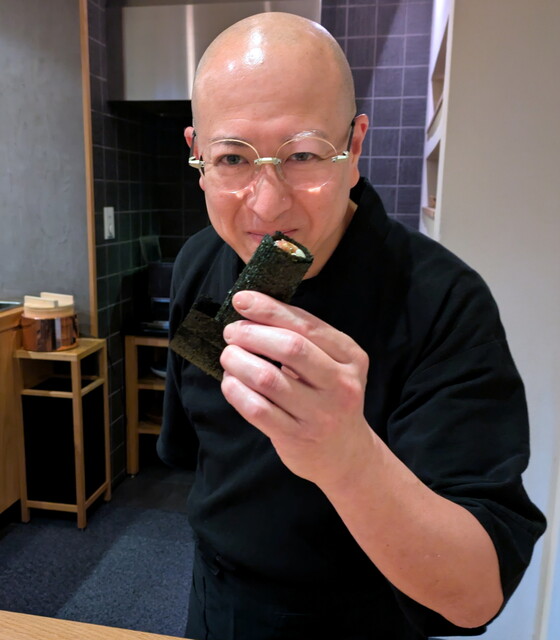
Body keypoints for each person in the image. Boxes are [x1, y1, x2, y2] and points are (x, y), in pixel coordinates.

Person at [158, 12, 546, 640]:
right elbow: (193, 443)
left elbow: (476, 594)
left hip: (363, 619)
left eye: (303, 154)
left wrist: (346, 457)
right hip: (215, 600)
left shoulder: (444, 301)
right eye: (231, 158)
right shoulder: (201, 262)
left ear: (356, 144)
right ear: (198, 153)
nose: (267, 205)